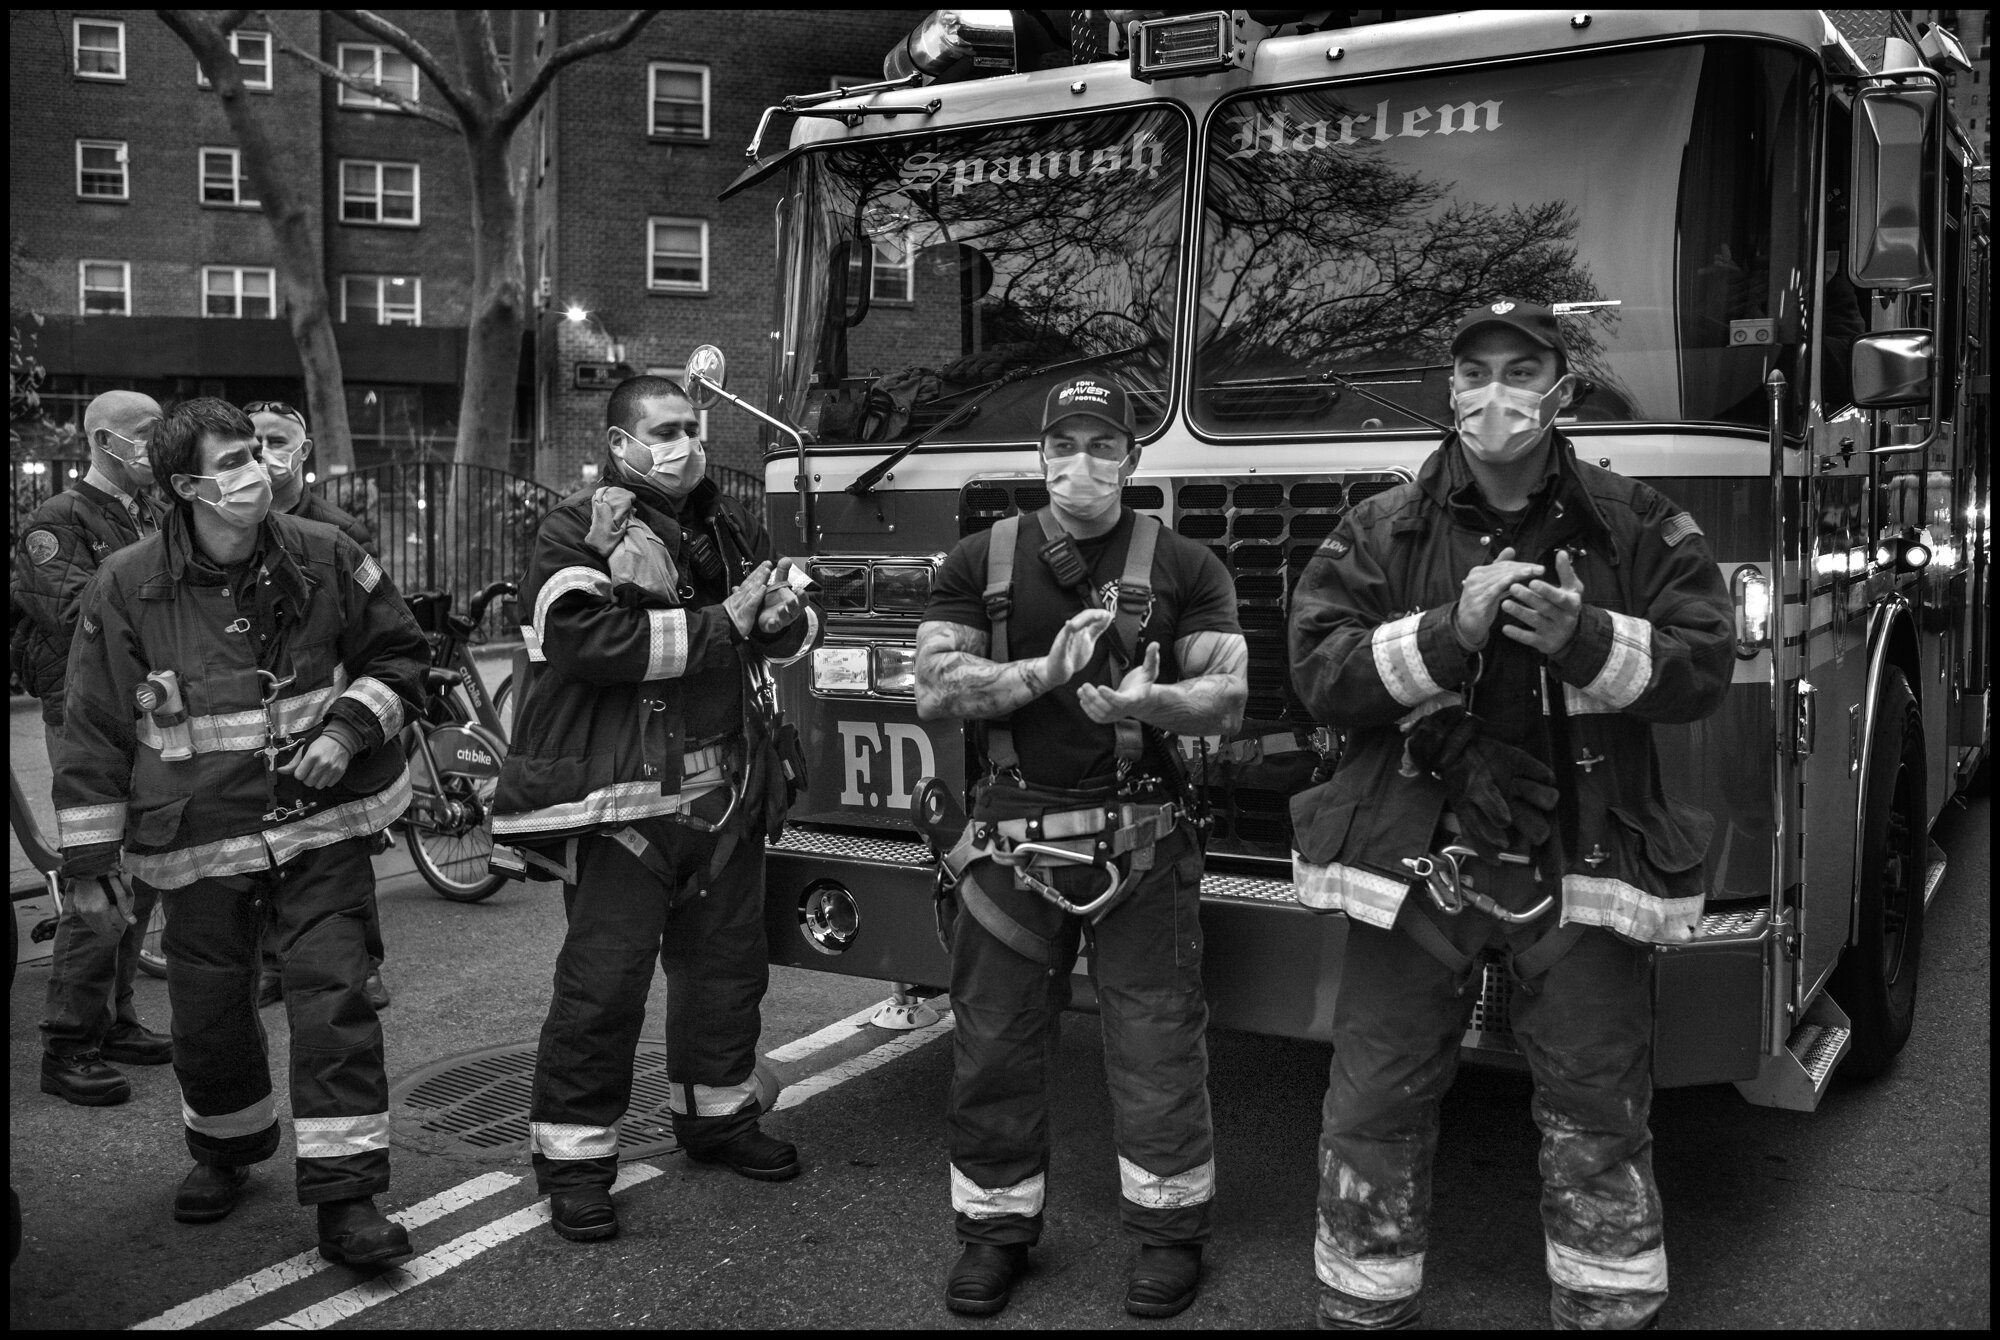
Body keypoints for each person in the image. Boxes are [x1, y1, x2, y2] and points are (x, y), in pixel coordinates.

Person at [1286, 299, 1734, 1330]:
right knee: (1373, 1100)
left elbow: (1704, 660)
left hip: (1576, 860)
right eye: (1475, 370)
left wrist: (1586, 637)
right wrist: (1447, 634)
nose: (1494, 393)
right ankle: (1360, 1302)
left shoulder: (1637, 523)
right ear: (1449, 388)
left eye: (1518, 368)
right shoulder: (1377, 527)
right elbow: (1319, 670)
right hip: (1419, 868)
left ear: (1559, 386)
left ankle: (1606, 1302)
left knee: (1596, 1101)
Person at [52, 397, 429, 1265]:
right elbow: (96, 727)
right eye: (232, 461)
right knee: (209, 1014)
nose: (256, 471)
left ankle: (349, 1201)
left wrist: (347, 730)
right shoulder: (127, 586)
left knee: (335, 1001)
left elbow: (403, 658)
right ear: (185, 486)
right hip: (199, 841)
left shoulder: (329, 554)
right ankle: (228, 1148)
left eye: (257, 451)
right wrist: (88, 863)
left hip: (319, 826)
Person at [914, 376, 1248, 1319]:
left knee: (1156, 1045)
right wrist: (1042, 672)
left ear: (1133, 459)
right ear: (1041, 455)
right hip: (1010, 848)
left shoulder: (1187, 564)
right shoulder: (979, 558)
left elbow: (1225, 700)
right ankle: (992, 1232)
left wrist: (1153, 704)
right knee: (993, 1046)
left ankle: (1170, 1233)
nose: (1083, 464)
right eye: (1066, 443)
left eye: (1104, 445)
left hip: (1143, 842)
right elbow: (934, 687)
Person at [494, 375, 820, 1244]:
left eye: (693, 429)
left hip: (723, 798)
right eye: (665, 429)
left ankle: (718, 1119)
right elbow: (585, 641)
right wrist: (729, 624)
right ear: (619, 443)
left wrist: (786, 617)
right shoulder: (574, 527)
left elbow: (780, 631)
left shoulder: (724, 522)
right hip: (628, 808)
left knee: (726, 975)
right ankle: (574, 1163)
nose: (685, 444)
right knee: (603, 987)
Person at [14, 390, 173, 1106]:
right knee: (94, 869)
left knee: (134, 869)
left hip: (138, 711)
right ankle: (68, 1042)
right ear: (104, 441)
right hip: (82, 714)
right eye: (144, 434)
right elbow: (74, 614)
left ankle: (115, 1020)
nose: (156, 444)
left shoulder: (147, 511)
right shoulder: (58, 520)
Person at [244, 398, 388, 1011]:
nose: (265, 454)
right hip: (252, 721)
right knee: (262, 848)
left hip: (327, 719)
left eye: (279, 440)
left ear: (304, 452)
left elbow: (376, 636)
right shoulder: (222, 526)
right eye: (252, 441)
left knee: (339, 845)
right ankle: (276, 964)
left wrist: (352, 725)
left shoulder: (339, 532)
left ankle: (363, 965)